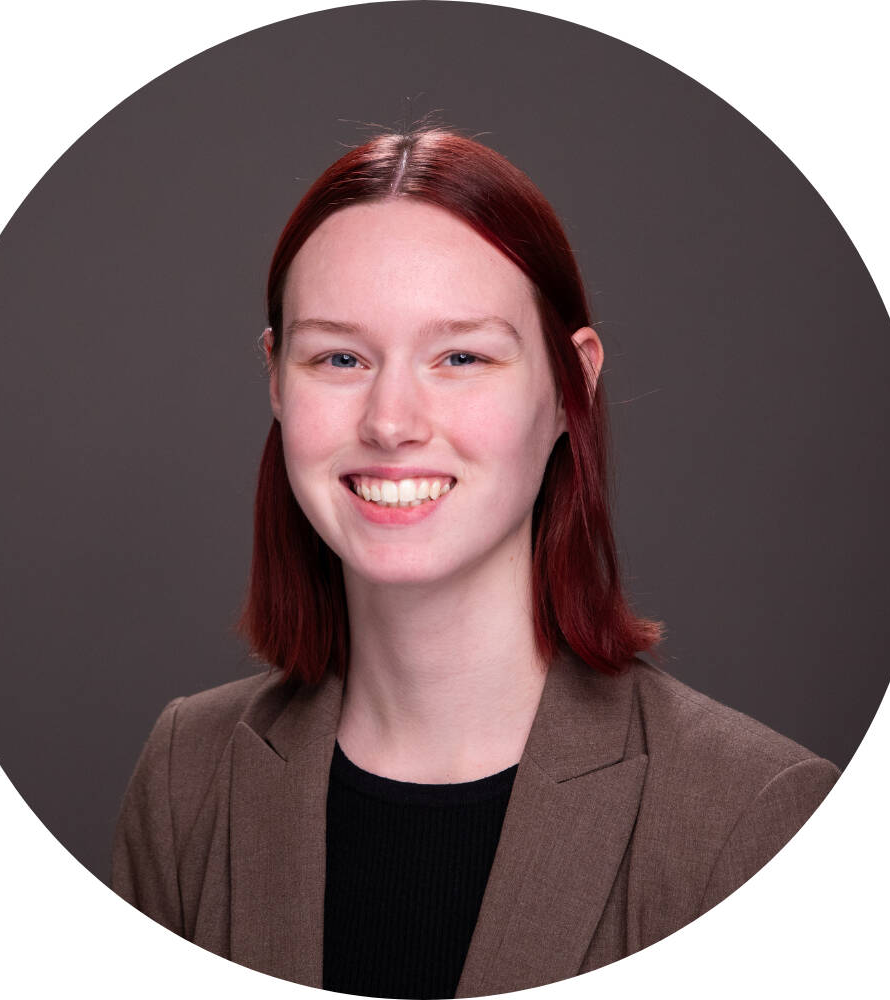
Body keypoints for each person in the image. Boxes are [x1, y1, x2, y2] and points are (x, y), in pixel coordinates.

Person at [111, 126, 840, 998]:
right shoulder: (186, 774)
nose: (391, 421)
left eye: (461, 357)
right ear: (276, 380)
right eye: (339, 357)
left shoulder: (754, 818)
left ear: (573, 387)